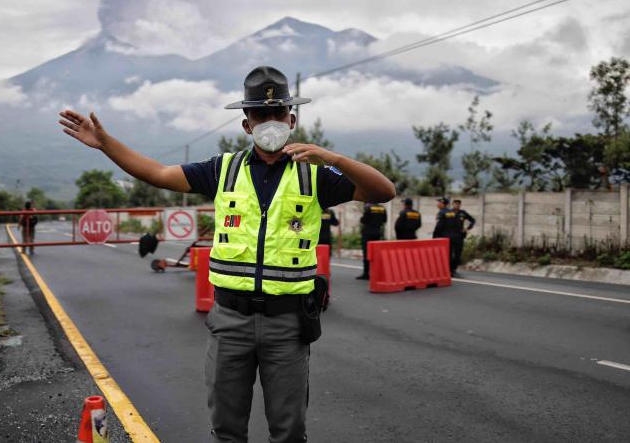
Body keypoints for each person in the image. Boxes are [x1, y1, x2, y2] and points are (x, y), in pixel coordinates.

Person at [58, 65, 395, 443]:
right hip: (230, 320)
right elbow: (157, 173)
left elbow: (383, 192)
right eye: (259, 115)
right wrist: (106, 144)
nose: (270, 122)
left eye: (278, 114)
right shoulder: (223, 170)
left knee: (289, 432)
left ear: (292, 119)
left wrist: (333, 159)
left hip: (287, 325)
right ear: (247, 125)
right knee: (226, 431)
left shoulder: (315, 176)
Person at [356, 202, 387, 280]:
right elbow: (384, 220)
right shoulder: (382, 208)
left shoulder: (369, 208)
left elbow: (363, 220)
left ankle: (366, 273)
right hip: (377, 233)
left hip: (367, 234)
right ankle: (376, 273)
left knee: (367, 254)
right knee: (376, 254)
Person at [432, 197, 458, 275]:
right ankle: (450, 270)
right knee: (449, 254)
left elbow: (439, 226)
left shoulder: (441, 213)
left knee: (442, 255)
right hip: (452, 237)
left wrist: (434, 235)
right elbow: (456, 225)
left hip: (443, 237)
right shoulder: (452, 213)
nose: (437, 204)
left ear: (442, 204)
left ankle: (442, 271)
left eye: (439, 202)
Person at [451, 199, 476, 275]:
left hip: (459, 236)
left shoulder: (463, 213)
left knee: (458, 254)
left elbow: (472, 220)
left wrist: (467, 228)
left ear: (460, 205)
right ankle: (449, 268)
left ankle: (453, 268)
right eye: (455, 204)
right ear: (453, 204)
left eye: (458, 204)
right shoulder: (449, 212)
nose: (457, 205)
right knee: (449, 254)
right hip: (450, 236)